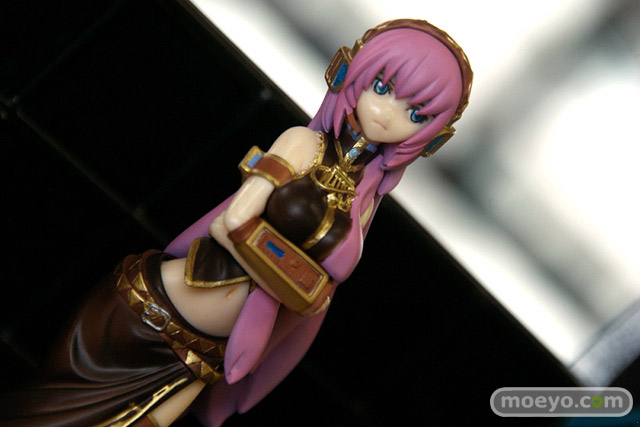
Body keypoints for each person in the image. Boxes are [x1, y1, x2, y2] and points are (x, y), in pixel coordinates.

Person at [0, 19, 472, 427]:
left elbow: (320, 292)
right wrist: (285, 284)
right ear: (349, 71)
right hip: (158, 311)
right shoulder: (303, 145)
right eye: (383, 88)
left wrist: (296, 291)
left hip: (204, 355)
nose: (387, 115)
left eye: (416, 113)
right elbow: (233, 224)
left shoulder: (363, 202)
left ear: (434, 137)